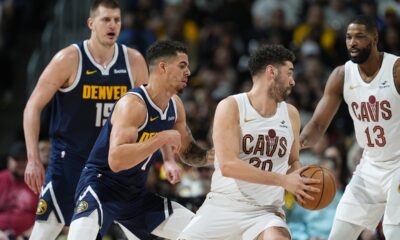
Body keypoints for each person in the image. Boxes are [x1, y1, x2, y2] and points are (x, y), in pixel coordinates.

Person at [23, 0, 148, 239]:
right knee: (43, 233)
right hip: (69, 161)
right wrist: (33, 159)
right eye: (106, 20)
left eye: (117, 20)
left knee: (135, 230)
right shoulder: (69, 59)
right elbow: (32, 107)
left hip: (109, 165)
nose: (112, 25)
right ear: (91, 23)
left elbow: (146, 114)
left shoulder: (133, 61)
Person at [67, 40, 213, 240]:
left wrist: (215, 157)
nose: (188, 71)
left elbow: (188, 151)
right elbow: (116, 161)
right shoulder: (133, 105)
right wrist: (160, 138)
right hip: (101, 187)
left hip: (134, 195)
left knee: (202, 233)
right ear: (163, 67)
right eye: (182, 66)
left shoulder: (175, 105)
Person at [178, 44, 320, 240]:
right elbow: (228, 166)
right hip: (224, 205)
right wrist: (283, 181)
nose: (293, 81)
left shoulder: (291, 114)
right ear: (272, 72)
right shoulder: (231, 107)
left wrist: (301, 181)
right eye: (289, 73)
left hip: (267, 212)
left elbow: (293, 161)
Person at [300, 15, 400, 240]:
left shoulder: (396, 70)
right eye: (348, 37)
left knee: (395, 231)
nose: (352, 42)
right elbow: (317, 125)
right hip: (370, 165)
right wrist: (295, 145)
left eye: (359, 37)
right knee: (339, 234)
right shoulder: (341, 75)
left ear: (374, 38)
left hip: (399, 162)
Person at [0, 141, 38, 239]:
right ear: (8, 161)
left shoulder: (38, 182)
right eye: (17, 159)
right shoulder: (1, 179)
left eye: (25, 159)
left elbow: (45, 216)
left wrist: (25, 236)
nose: (21, 163)